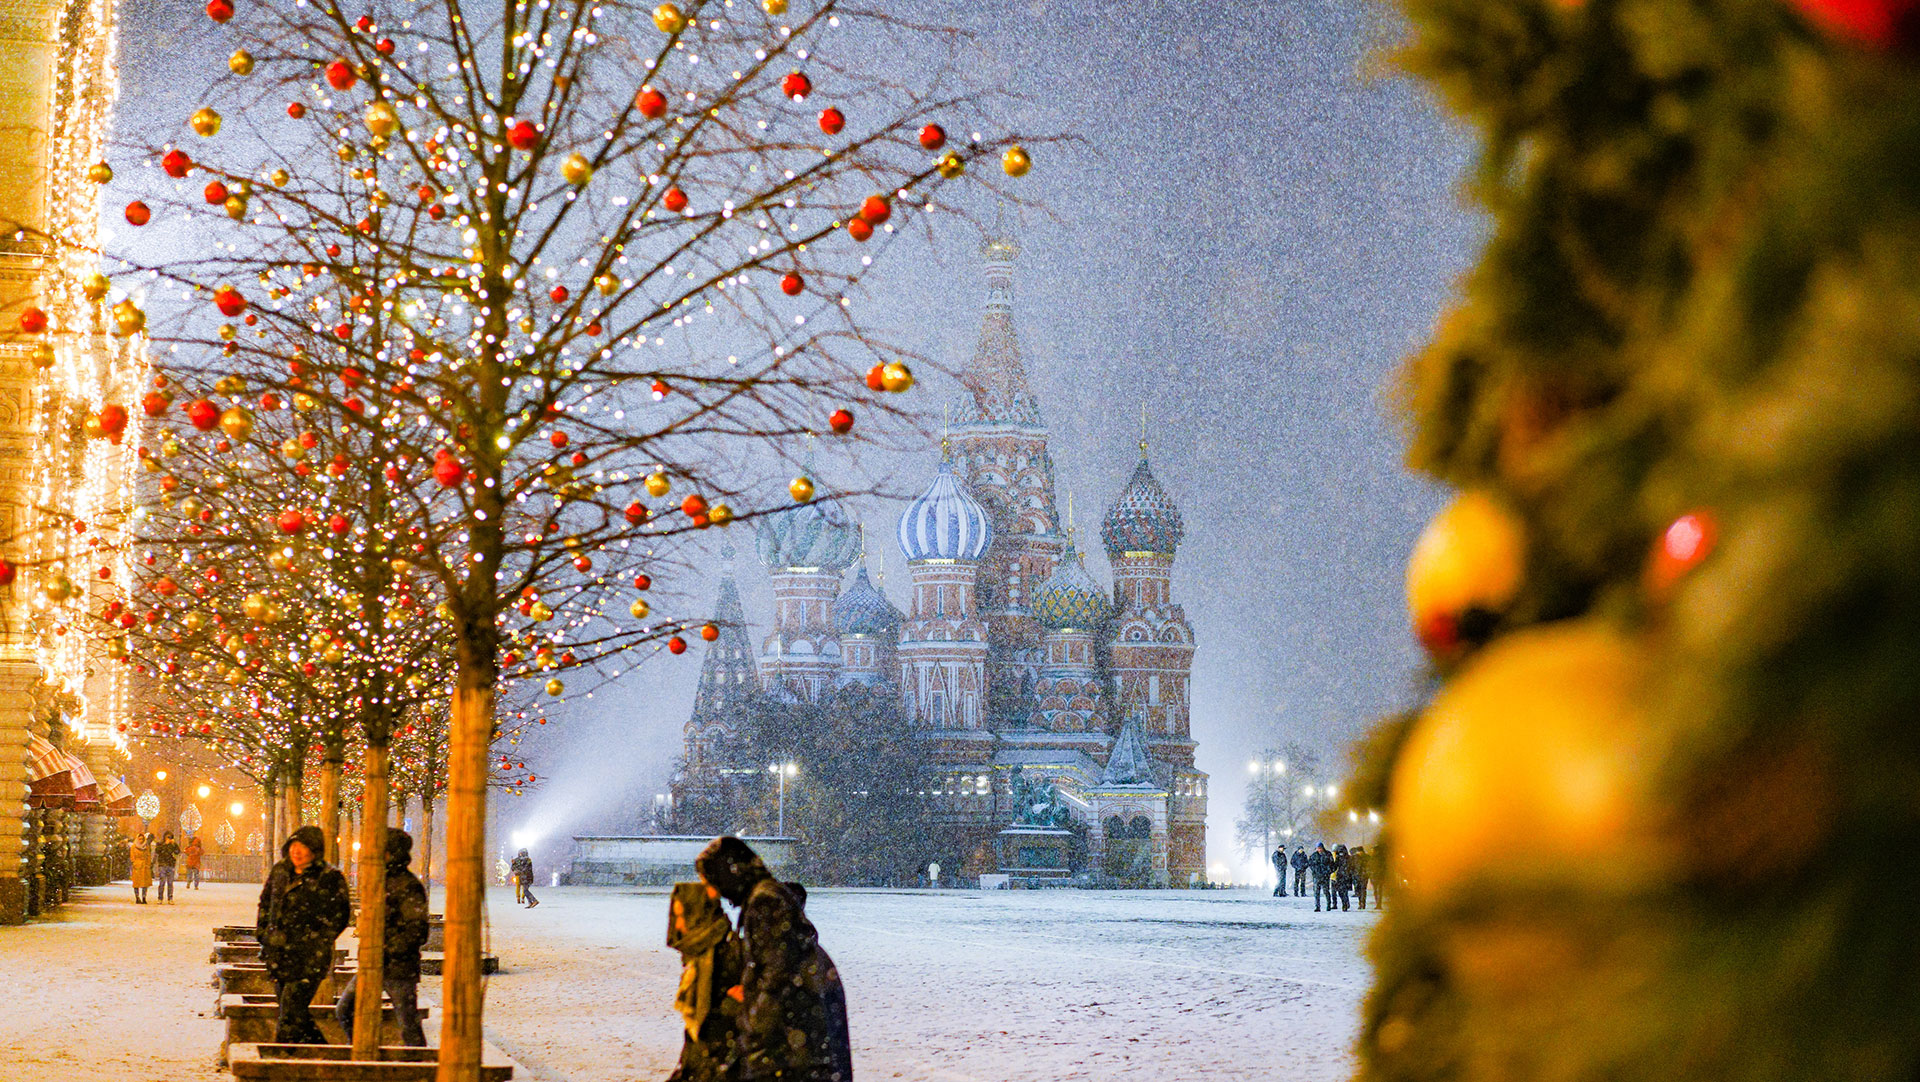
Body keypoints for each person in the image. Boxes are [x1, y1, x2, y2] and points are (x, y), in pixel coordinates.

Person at [696, 836, 853, 1082]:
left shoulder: (764, 901)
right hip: (804, 1026)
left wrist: (750, 1032)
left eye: (715, 881)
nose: (717, 892)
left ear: (730, 873)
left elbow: (775, 978)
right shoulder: (764, 897)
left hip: (798, 1034)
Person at [257, 825, 352, 1045]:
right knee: (293, 1014)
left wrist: (318, 939)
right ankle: (325, 1057)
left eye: (303, 847)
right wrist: (264, 934)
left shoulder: (329, 877)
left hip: (309, 958)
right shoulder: (280, 871)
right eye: (294, 846)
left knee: (290, 1016)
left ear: (315, 851)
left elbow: (341, 914)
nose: (296, 851)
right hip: (279, 955)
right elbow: (265, 904)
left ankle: (279, 1062)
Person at [335, 828, 429, 1046]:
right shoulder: (379, 880)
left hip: (397, 968)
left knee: (407, 1025)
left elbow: (417, 931)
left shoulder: (408, 885)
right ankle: (365, 1054)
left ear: (391, 853)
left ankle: (418, 1067)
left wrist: (386, 949)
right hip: (373, 963)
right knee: (344, 1010)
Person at [666, 880, 745, 1082]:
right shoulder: (699, 958)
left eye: (682, 915)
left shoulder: (727, 954)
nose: (678, 924)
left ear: (698, 915)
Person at [1307, 843, 1335, 913]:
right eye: (1318, 848)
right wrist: (1315, 871)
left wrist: (1328, 872)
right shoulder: (1314, 856)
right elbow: (1310, 864)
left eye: (1320, 848)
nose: (1319, 849)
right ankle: (1317, 906)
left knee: (1326, 891)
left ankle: (1328, 904)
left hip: (1325, 876)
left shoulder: (1328, 854)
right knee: (1316, 892)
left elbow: (1332, 865)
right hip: (1317, 876)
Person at [154, 831, 180, 903]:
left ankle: (170, 898)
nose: (169, 838)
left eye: (170, 837)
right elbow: (158, 851)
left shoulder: (173, 845)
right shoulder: (160, 844)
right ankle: (160, 898)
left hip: (170, 865)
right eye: (167, 837)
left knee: (170, 883)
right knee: (162, 882)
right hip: (162, 864)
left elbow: (177, 852)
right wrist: (165, 844)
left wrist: (173, 845)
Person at [129, 832, 153, 904]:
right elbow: (132, 856)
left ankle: (144, 897)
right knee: (136, 883)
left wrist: (148, 864)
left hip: (145, 866)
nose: (141, 840)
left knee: (144, 883)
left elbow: (148, 855)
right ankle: (137, 897)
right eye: (139, 839)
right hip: (137, 866)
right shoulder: (134, 846)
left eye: (142, 839)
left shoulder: (146, 846)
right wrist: (135, 863)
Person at [1332, 844, 1353, 911]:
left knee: (1343, 891)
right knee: (1342, 892)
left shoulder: (1348, 858)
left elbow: (1335, 866)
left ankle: (1345, 904)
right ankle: (1345, 903)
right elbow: (1335, 866)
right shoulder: (1339, 858)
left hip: (1344, 876)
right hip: (1342, 876)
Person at [1351, 845, 1371, 910]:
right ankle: (1361, 902)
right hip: (1358, 875)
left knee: (1362, 889)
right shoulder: (1355, 857)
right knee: (1359, 890)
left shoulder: (1357, 857)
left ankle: (1362, 903)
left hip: (1362, 875)